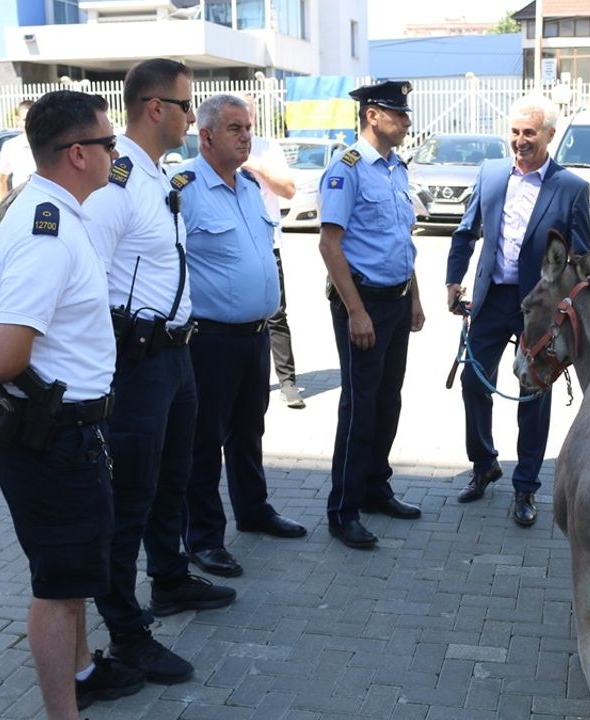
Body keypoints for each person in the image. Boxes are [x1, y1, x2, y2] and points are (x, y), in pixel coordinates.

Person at [0, 89, 145, 718]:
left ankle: (84, 670)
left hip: (63, 429)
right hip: (53, 435)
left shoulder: (50, 211)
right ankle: (64, 709)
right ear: (80, 153)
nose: (119, 153)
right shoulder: (49, 232)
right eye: (111, 144)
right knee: (58, 590)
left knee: (72, 574)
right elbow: (8, 354)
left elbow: (28, 327)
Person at [82, 58, 233, 687]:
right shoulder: (118, 183)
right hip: (138, 363)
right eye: (184, 105)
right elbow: (87, 276)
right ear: (154, 108)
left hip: (177, 354)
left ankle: (168, 578)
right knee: (131, 497)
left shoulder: (156, 175)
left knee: (175, 477)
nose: (190, 115)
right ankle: (125, 629)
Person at [174, 94, 308, 579]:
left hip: (254, 336)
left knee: (249, 430)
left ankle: (253, 511)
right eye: (234, 128)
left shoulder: (250, 186)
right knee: (204, 442)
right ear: (205, 136)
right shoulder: (183, 188)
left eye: (247, 127)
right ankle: (204, 539)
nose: (246, 136)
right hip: (208, 339)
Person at [445, 94, 590, 527]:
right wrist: (454, 280)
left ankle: (526, 487)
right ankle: (484, 463)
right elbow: (465, 231)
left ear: (549, 134)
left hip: (539, 311)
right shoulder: (491, 174)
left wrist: (572, 304)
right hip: (492, 300)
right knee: (474, 381)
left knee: (533, 394)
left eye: (529, 133)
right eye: (514, 132)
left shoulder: (571, 188)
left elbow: (580, 254)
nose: (520, 141)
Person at [318, 79, 425, 549]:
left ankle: (375, 488)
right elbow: (329, 244)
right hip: (363, 304)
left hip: (397, 300)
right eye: (397, 113)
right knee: (360, 406)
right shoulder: (348, 170)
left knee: (388, 401)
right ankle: (343, 509)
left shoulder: (396, 169)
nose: (405, 121)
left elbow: (403, 239)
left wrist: (415, 296)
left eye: (405, 113)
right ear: (372, 116)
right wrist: (356, 312)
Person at [242, 94, 305, 409]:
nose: (244, 127)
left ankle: (288, 381)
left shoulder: (267, 149)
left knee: (276, 314)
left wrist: (255, 165)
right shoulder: (213, 149)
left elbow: (288, 191)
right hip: (230, 248)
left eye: (248, 118)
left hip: (268, 244)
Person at [0, 100, 37, 201]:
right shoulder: (11, 146)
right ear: (17, 120)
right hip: (21, 204)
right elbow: (0, 181)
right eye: (25, 119)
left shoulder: (50, 145)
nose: (30, 123)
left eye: (33, 119)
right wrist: (4, 210)